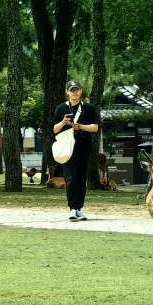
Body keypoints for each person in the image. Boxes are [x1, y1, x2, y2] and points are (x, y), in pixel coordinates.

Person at [52, 80, 101, 221]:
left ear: (81, 90)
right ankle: (73, 208)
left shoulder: (89, 108)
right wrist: (63, 122)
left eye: (77, 89)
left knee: (81, 179)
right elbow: (54, 129)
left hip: (84, 148)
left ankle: (79, 209)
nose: (74, 92)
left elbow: (95, 127)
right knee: (71, 178)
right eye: (71, 90)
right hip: (68, 149)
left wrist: (81, 126)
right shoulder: (61, 108)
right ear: (67, 92)